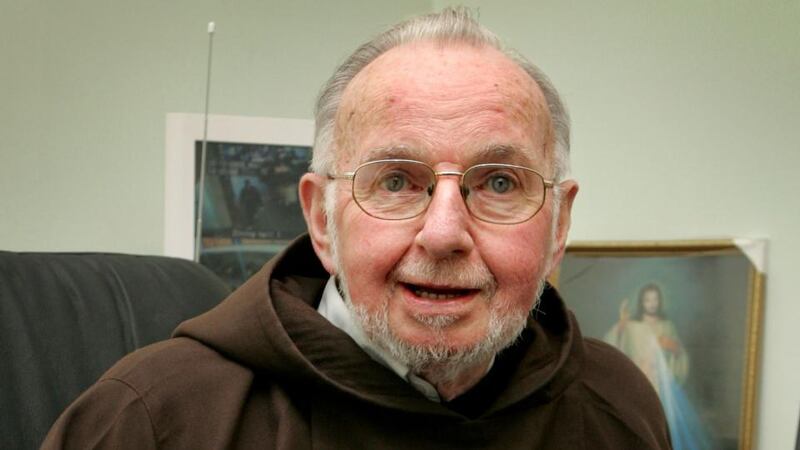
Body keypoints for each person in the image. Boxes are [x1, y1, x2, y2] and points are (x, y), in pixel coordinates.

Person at [43, 8, 671, 449]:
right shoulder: (150, 421)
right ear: (321, 218)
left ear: (558, 225)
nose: (444, 233)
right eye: (396, 181)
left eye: (499, 183)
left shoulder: (618, 407)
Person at [605, 283, 689, 392]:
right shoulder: (633, 326)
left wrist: (672, 346)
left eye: (655, 299)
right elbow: (612, 343)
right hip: (638, 380)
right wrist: (622, 323)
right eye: (647, 300)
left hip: (662, 383)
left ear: (660, 301)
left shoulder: (667, 325)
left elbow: (680, 354)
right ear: (642, 302)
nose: (652, 304)